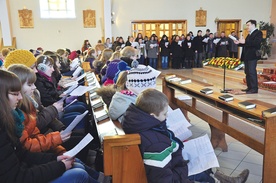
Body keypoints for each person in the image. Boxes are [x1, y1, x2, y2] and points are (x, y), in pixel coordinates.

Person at [122, 88, 250, 183]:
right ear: (152, 116)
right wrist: (184, 169)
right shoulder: (156, 144)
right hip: (173, 172)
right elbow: (164, 179)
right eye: (165, 114)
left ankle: (228, 180)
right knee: (200, 168)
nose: (167, 117)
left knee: (201, 160)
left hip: (172, 165)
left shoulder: (139, 122)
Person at [0, 69, 100, 183]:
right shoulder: (11, 121)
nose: (20, 98)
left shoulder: (11, 118)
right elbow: (18, 176)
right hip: (26, 172)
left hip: (32, 161)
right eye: (15, 94)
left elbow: (23, 155)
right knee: (79, 174)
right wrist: (59, 165)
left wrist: (56, 159)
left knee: (78, 167)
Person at [235, 19, 262, 94]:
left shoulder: (258, 33)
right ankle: (249, 87)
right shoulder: (249, 34)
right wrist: (239, 43)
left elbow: (256, 43)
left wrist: (245, 41)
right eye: (247, 25)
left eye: (248, 25)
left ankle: (254, 88)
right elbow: (246, 44)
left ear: (253, 25)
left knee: (252, 72)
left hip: (252, 56)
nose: (247, 27)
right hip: (247, 55)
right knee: (247, 72)